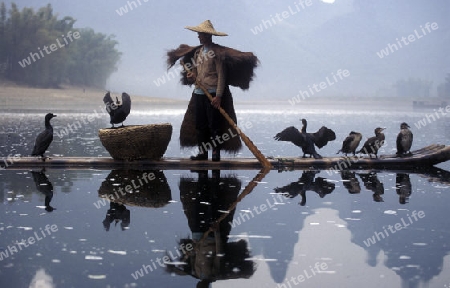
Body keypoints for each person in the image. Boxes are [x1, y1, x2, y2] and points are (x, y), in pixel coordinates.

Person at [167, 20, 259, 161]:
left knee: (214, 125)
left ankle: (215, 154)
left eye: (201, 35)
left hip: (213, 93)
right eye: (198, 34)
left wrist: (219, 96)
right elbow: (195, 73)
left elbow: (222, 76)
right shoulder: (198, 52)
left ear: (208, 36)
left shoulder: (217, 53)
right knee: (200, 125)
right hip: (199, 93)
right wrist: (192, 76)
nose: (198, 37)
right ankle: (203, 153)